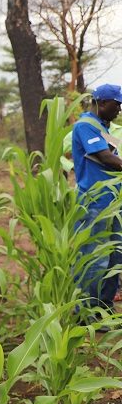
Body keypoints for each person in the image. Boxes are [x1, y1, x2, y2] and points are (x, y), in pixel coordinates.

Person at [72, 83, 122, 315]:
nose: (119, 110)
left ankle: (104, 307)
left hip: (112, 202)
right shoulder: (85, 126)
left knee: (115, 256)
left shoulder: (103, 127)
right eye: (117, 105)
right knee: (95, 258)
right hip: (95, 202)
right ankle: (85, 311)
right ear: (102, 103)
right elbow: (105, 158)